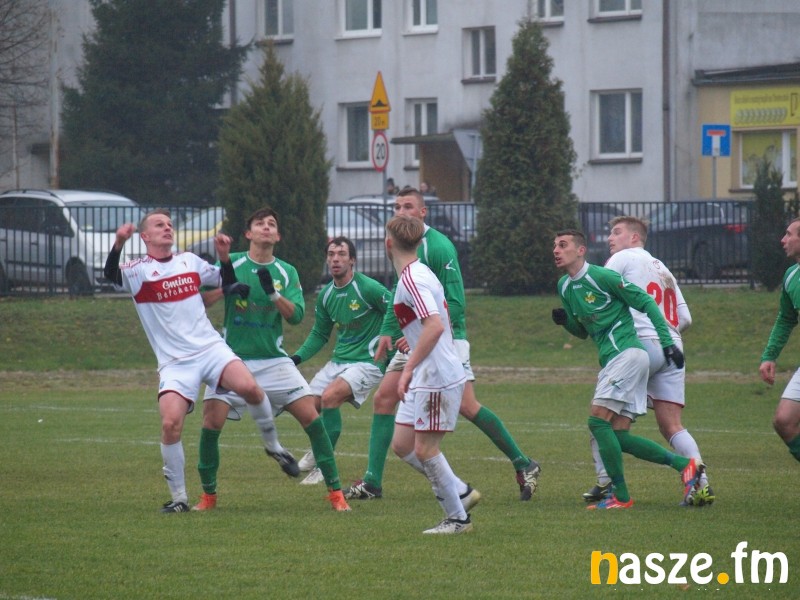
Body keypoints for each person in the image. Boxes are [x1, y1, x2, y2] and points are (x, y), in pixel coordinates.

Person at [345, 187, 539, 503]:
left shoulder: (438, 247)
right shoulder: (403, 247)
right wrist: (387, 331)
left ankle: (522, 463)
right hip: (416, 339)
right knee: (383, 398)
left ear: (423, 212)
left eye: (408, 206)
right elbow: (400, 294)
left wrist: (426, 336)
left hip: (444, 339)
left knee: (467, 406)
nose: (401, 212)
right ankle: (373, 482)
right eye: (397, 206)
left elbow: (455, 302)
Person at [103, 208, 280, 513]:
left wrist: (224, 257)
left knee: (250, 388)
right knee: (170, 424)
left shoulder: (189, 261)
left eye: (170, 224)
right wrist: (119, 242)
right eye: (160, 225)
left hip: (210, 349)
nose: (167, 228)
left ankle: (274, 446)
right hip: (175, 363)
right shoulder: (139, 270)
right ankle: (179, 499)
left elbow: (228, 281)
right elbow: (110, 275)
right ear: (145, 236)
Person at [194, 207, 351, 512]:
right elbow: (200, 300)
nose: (266, 227)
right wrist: (225, 290)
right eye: (259, 223)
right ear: (248, 233)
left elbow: (297, 317)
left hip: (274, 362)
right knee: (211, 422)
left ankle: (336, 494)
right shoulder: (231, 262)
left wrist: (273, 295)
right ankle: (208, 497)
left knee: (312, 419)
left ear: (277, 236)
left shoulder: (286, 272)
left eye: (272, 224)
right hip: (231, 359)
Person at [552, 228, 704, 509]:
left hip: (628, 354)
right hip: (614, 359)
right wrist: (566, 322)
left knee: (597, 422)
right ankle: (685, 466)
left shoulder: (602, 276)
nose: (556, 251)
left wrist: (667, 341)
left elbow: (645, 301)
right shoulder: (565, 286)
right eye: (555, 246)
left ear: (581, 250)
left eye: (563, 245)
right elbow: (584, 332)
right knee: (618, 434)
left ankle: (620, 496)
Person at [385, 215, 473, 534]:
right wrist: (412, 350)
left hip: (435, 374)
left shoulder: (413, 278)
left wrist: (408, 367)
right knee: (402, 443)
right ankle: (460, 491)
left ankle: (458, 519)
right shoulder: (418, 272)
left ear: (388, 244)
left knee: (425, 450)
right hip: (427, 371)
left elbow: (434, 326)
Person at [290, 236, 392, 486]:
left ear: (352, 260)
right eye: (331, 254)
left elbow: (396, 309)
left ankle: (323, 466)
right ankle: (318, 451)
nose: (336, 259)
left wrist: (391, 342)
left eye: (342, 254)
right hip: (340, 360)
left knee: (330, 397)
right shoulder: (326, 295)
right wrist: (296, 358)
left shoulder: (368, 288)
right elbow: (319, 334)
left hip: (368, 362)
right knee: (307, 406)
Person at [759, 217, 800, 466]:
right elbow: (786, 319)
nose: (783, 240)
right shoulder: (791, 276)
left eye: (789, 234)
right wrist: (769, 356)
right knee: (784, 421)